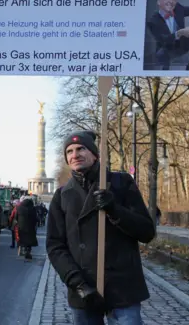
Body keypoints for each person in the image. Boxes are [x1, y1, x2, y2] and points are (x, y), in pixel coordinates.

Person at [46, 130, 155, 325]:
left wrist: (115, 209)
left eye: (81, 149)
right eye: (69, 151)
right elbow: (55, 246)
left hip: (122, 288)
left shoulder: (121, 183)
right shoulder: (62, 195)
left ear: (95, 153)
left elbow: (147, 232)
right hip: (84, 289)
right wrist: (77, 283)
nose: (75, 154)